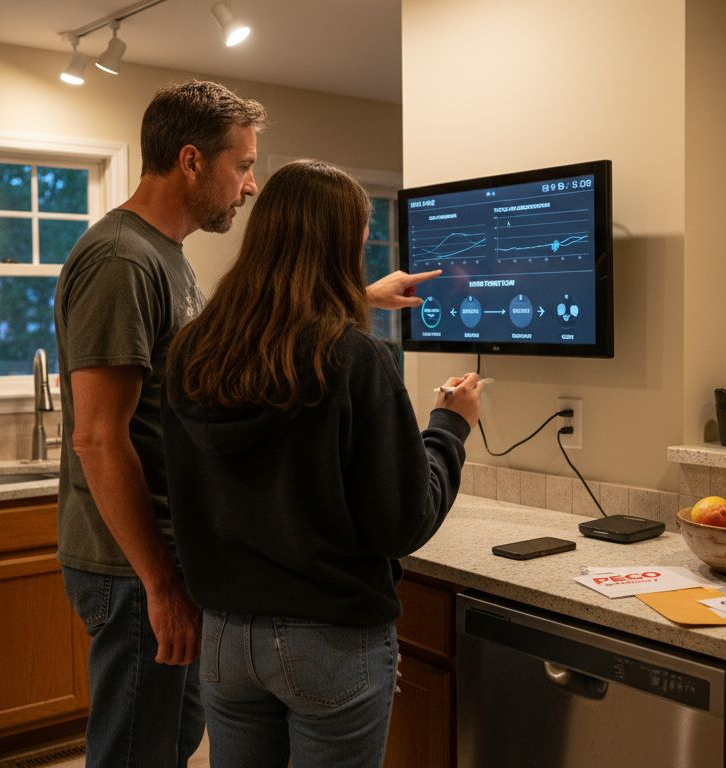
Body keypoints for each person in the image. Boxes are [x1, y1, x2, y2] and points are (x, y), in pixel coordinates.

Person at [54, 82, 439, 768]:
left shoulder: (166, 256)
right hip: (136, 563)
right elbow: (96, 436)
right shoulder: (122, 258)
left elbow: (256, 355)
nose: (252, 185)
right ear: (192, 160)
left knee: (172, 743)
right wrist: (162, 584)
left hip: (190, 566)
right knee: (137, 753)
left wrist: (354, 299)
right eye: (243, 164)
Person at [161, 159, 480, 768]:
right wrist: (449, 428)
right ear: (340, 245)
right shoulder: (356, 359)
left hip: (226, 639)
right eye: (359, 239)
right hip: (330, 640)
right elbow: (402, 523)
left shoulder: (193, 355)